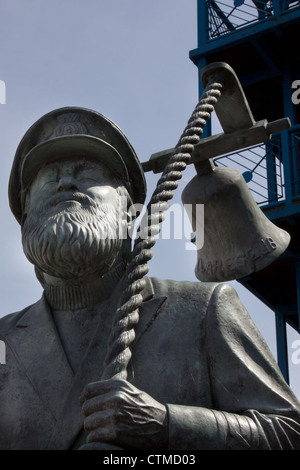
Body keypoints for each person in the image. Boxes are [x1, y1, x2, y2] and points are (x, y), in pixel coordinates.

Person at [1, 106, 300, 450]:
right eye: (50, 176)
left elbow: (288, 433)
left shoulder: (203, 310)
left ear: (129, 210)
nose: (66, 182)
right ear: (25, 212)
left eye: (87, 173)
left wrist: (166, 423)